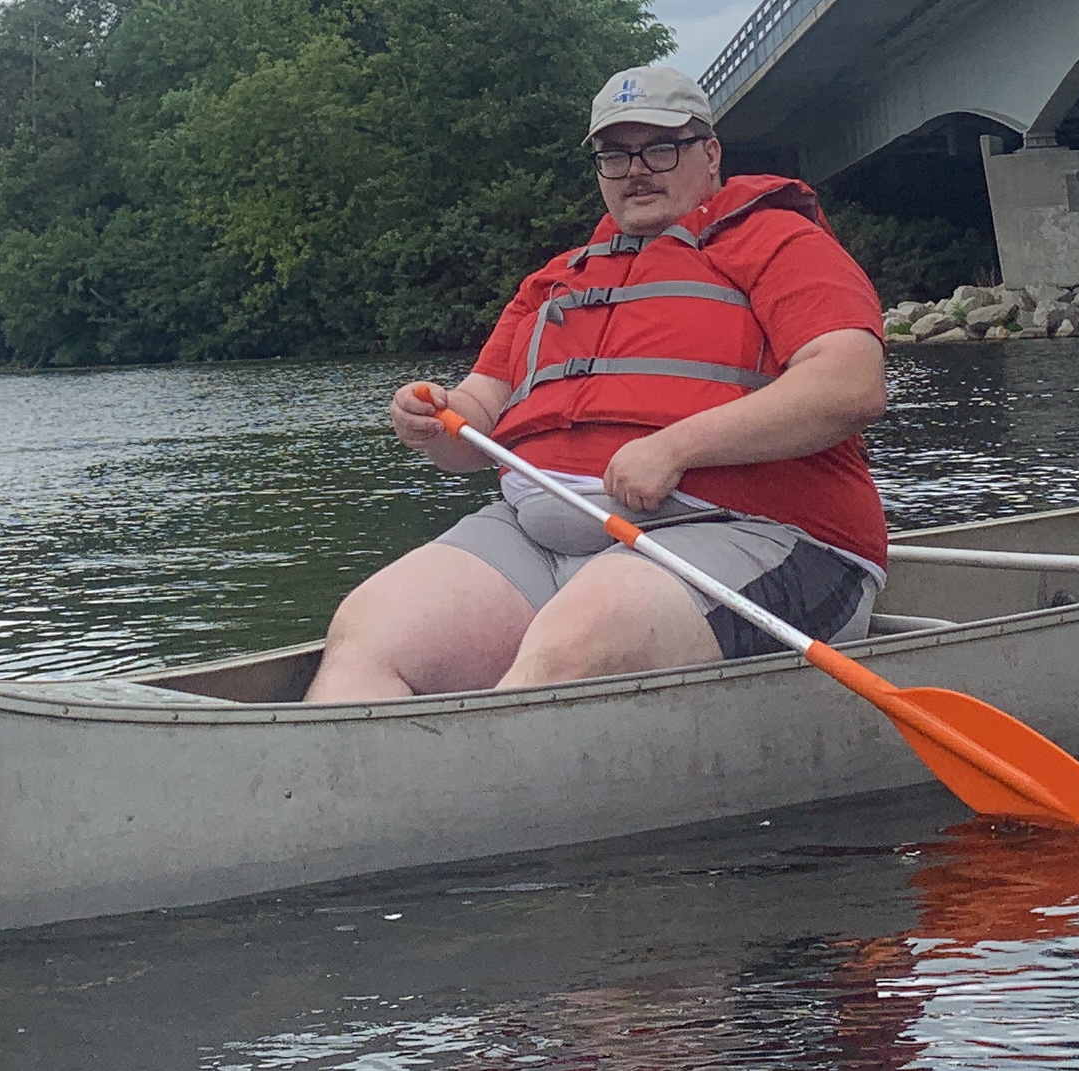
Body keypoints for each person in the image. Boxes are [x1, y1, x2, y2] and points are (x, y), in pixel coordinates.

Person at [306, 64, 892, 699]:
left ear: (711, 153)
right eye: (615, 155)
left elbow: (848, 385)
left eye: (660, 148)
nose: (637, 169)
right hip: (535, 535)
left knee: (576, 649)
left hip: (752, 531)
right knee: (368, 637)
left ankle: (480, 784)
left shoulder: (780, 242)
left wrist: (677, 447)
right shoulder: (557, 281)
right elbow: (475, 421)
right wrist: (434, 417)